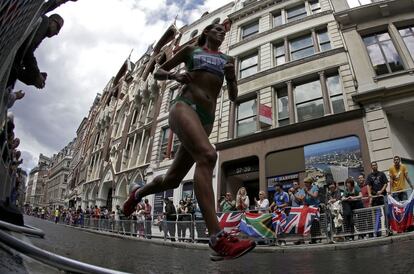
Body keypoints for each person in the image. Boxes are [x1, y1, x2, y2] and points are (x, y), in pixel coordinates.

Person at [123, 23, 255, 260]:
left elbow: (233, 96)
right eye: (216, 28)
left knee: (172, 180)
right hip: (185, 107)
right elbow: (158, 72)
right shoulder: (191, 52)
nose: (221, 31)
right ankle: (217, 238)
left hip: (206, 120)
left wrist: (233, 78)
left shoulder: (227, 59)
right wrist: (174, 75)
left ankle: (137, 194)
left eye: (223, 30)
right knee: (208, 156)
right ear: (206, 33)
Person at [7, 0, 78, 90]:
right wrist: (36, 74)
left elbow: (20, 62)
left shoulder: (38, 31)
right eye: (58, 28)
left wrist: (34, 78)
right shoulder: (44, 21)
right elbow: (26, 51)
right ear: (52, 21)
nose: (57, 33)